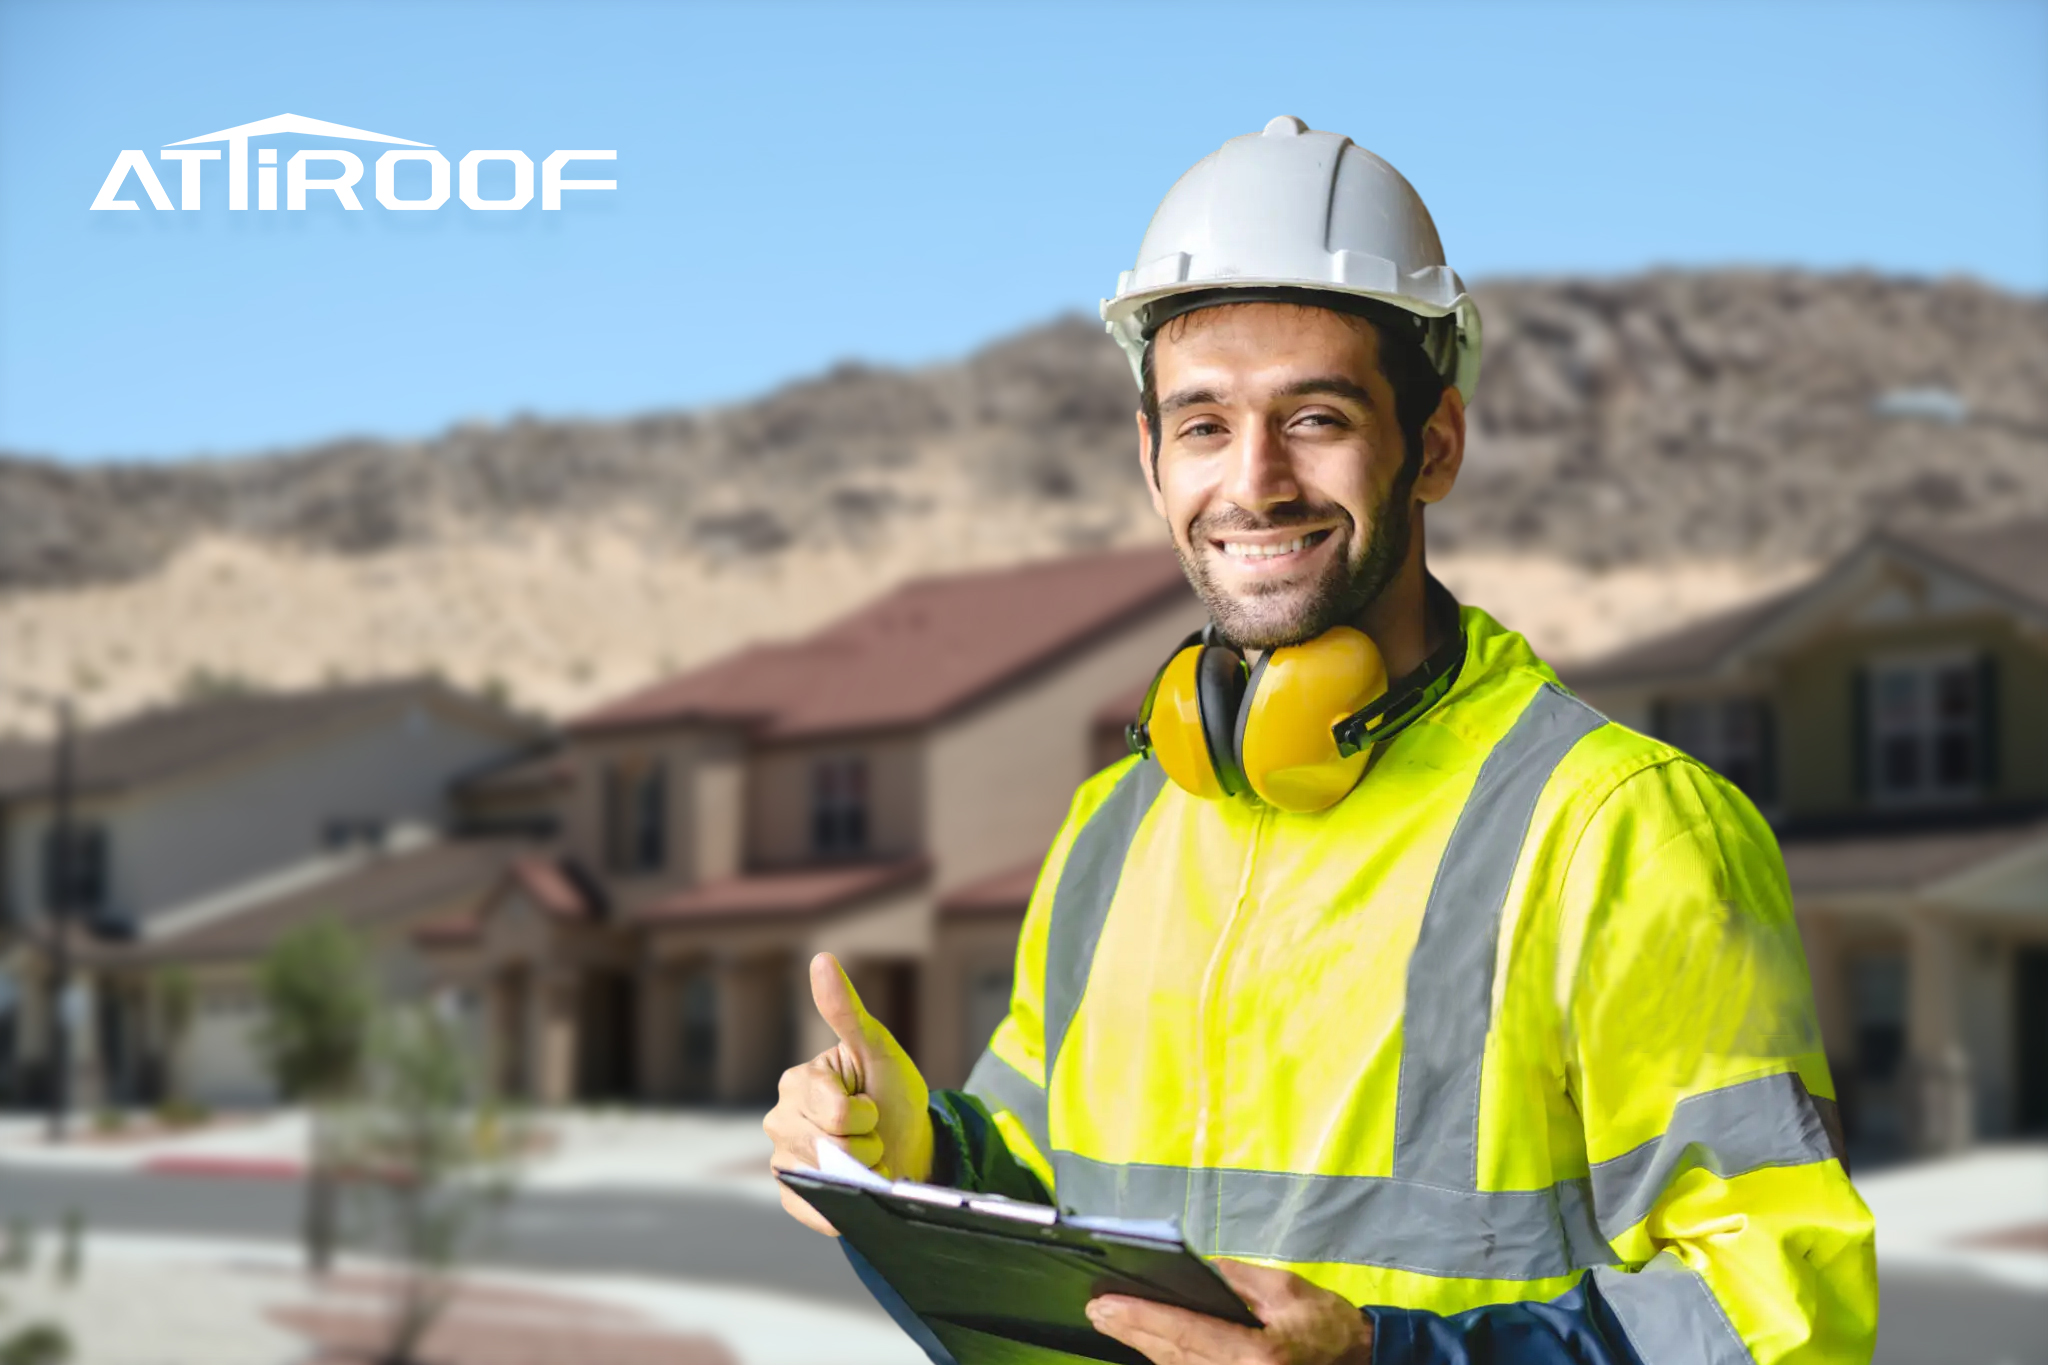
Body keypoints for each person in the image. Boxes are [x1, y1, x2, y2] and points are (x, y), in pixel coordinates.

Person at [765, 117, 1877, 1365]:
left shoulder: (1615, 828)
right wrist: (919, 1156)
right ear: (1149, 459)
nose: (1253, 484)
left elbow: (1780, 1315)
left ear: (1433, 446)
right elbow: (1058, 1201)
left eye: (1314, 418)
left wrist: (1384, 1361)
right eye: (1200, 425)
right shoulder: (1115, 827)